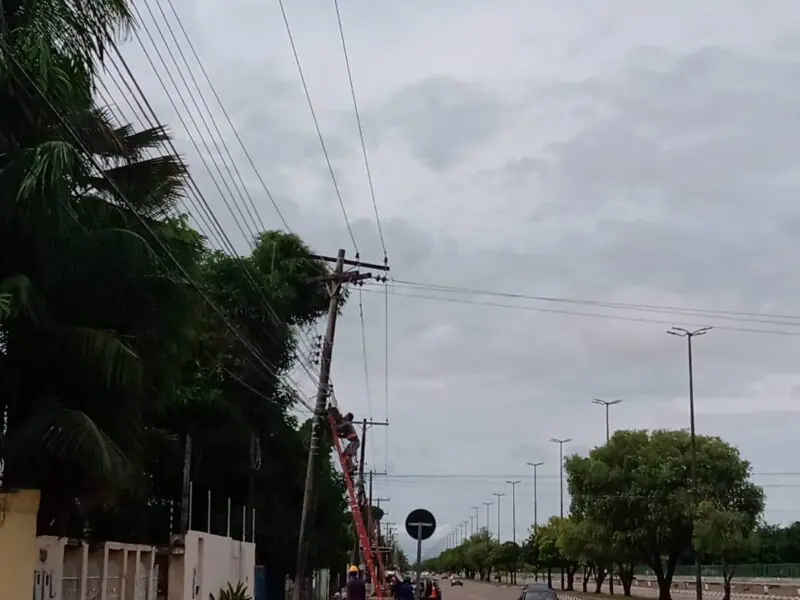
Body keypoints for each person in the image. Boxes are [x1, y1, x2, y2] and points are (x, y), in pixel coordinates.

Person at [336, 411, 360, 476]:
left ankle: (352, 467)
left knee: (348, 455)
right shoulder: (347, 428)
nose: (344, 416)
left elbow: (338, 428)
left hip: (355, 442)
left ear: (348, 418)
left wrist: (333, 423)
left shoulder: (347, 424)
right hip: (353, 443)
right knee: (344, 455)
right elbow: (342, 435)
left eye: (346, 416)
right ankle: (349, 468)